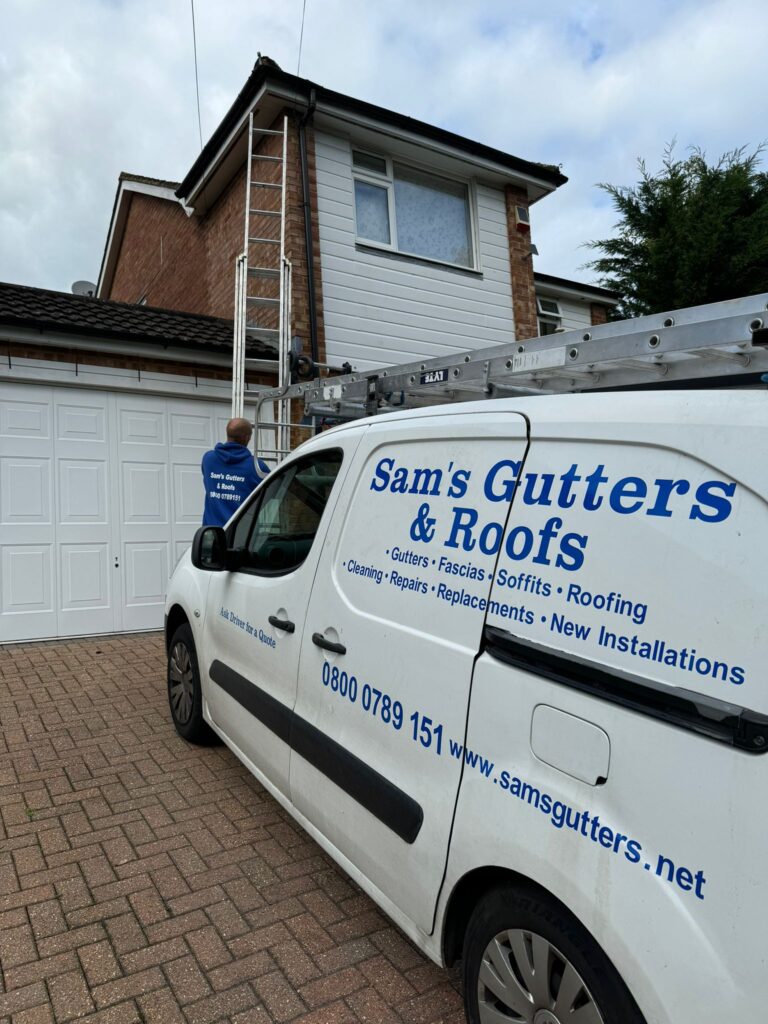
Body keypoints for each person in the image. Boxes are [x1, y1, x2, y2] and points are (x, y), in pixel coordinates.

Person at [201, 418, 270, 527]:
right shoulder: (257, 466)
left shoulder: (208, 459)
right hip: (241, 535)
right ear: (247, 437)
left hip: (212, 534)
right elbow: (273, 492)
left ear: (227, 433)